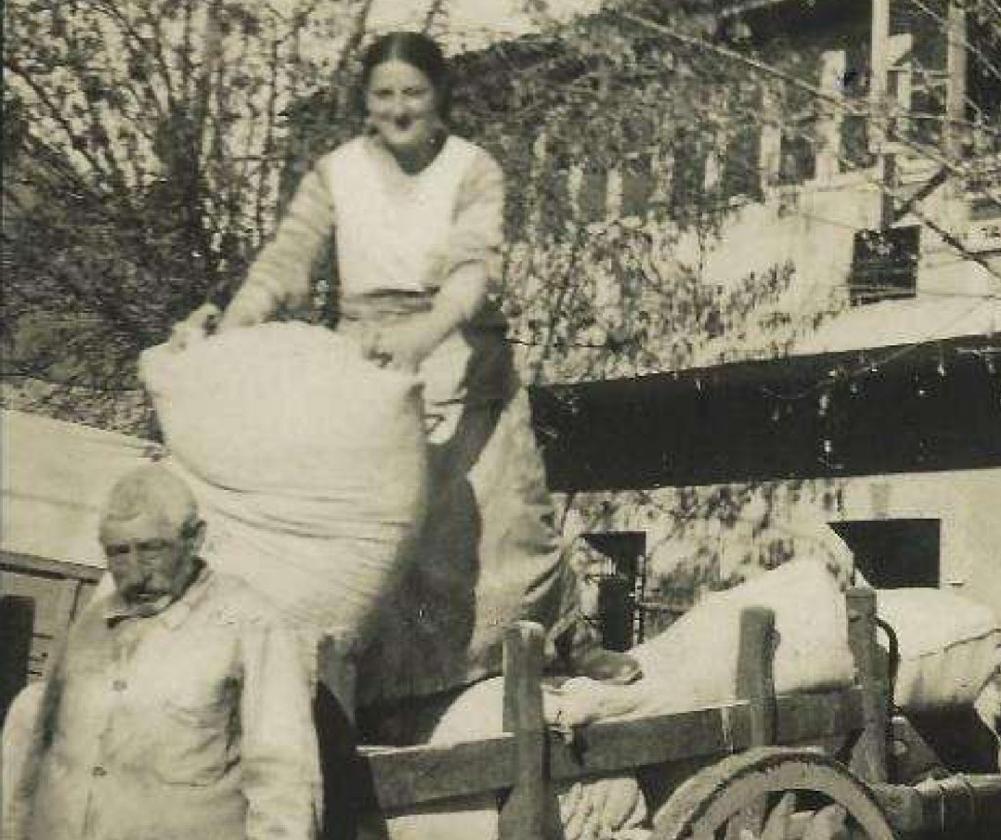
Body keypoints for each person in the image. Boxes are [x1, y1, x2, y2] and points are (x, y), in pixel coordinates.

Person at [176, 31, 639, 739]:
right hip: (369, 368)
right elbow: (288, 259)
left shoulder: (471, 170)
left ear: (439, 98)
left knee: (509, 521)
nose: (399, 109)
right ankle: (394, 696)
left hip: (461, 357)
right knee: (389, 538)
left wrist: (423, 337)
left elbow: (470, 271)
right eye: (384, 94)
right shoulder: (337, 173)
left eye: (413, 94)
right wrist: (238, 322)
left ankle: (565, 642)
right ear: (366, 102)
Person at [9, 463, 322, 840]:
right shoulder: (90, 627)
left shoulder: (250, 625)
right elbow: (36, 757)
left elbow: (283, 775)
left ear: (195, 540)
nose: (136, 572)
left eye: (152, 549)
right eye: (119, 553)